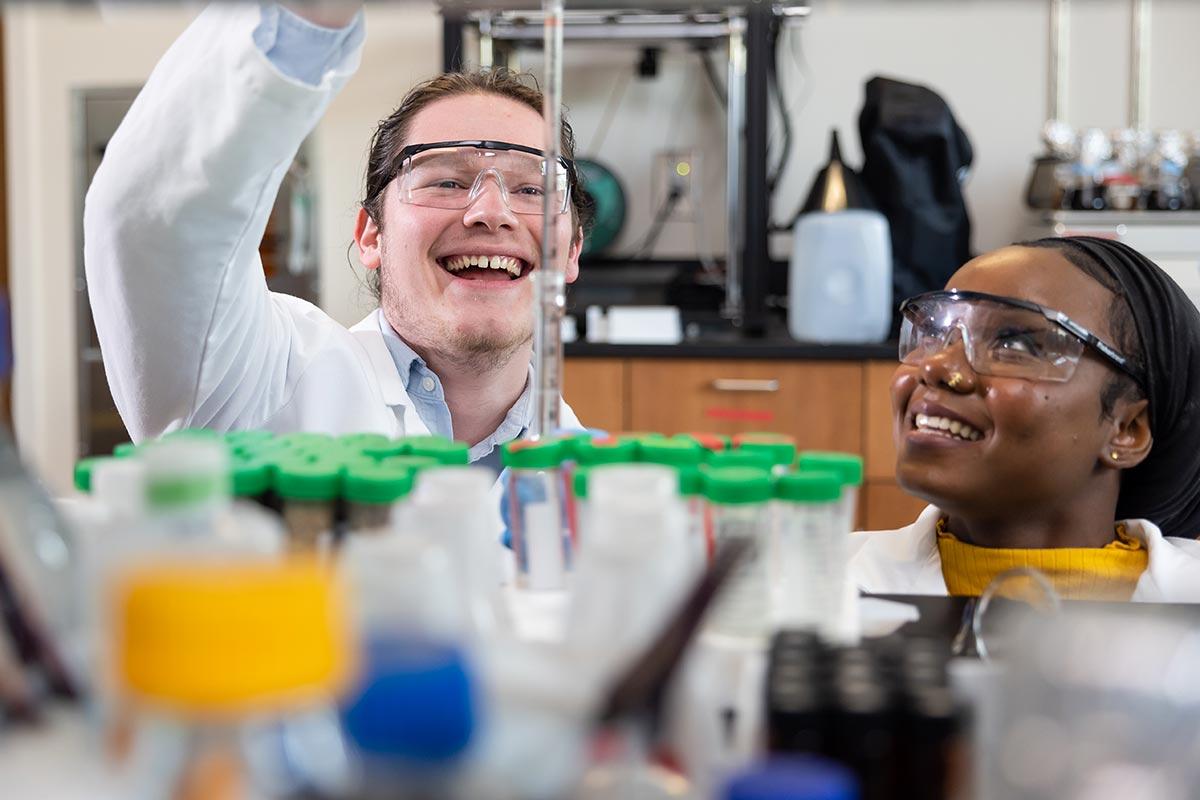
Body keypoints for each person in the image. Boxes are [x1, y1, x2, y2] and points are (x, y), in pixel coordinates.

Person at [83, 3, 588, 473]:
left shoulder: (591, 477)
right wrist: (308, 21)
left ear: (570, 252)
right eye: (447, 181)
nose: (492, 212)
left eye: (531, 188)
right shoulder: (255, 383)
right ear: (371, 235)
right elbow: (160, 218)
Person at [850, 235, 1200, 602]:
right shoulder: (809, 586)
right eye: (934, 334)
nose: (935, 366)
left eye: (1014, 344)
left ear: (1127, 430)